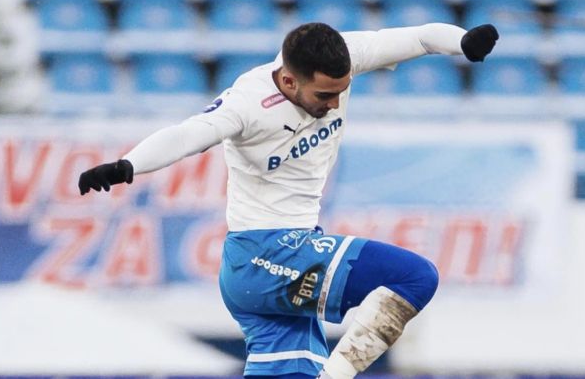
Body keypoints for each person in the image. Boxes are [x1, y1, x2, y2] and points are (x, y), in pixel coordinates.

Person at [78, 21, 498, 378]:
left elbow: (420, 38)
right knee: (416, 277)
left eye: (341, 92)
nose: (334, 104)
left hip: (267, 267)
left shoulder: (346, 56)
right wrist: (127, 165)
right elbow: (188, 135)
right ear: (290, 80)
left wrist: (462, 41)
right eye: (324, 96)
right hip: (267, 253)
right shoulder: (247, 102)